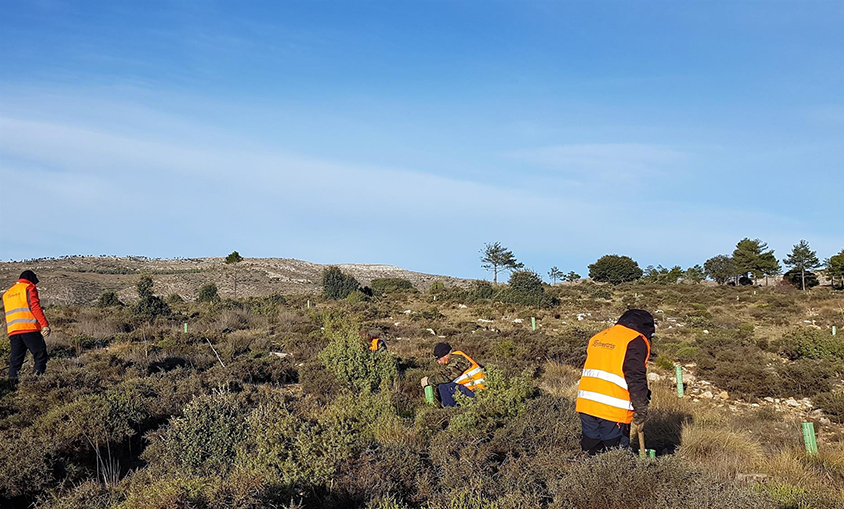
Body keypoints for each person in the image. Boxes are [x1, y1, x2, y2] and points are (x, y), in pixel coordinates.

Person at [575, 309, 653, 455]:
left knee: (591, 452)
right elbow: (635, 377)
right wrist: (641, 408)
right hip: (613, 409)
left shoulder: (600, 336)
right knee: (615, 457)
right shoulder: (635, 339)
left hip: (586, 404)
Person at [3, 270, 51, 379]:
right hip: (29, 328)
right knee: (40, 355)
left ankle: (12, 385)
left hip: (13, 331)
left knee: (15, 361)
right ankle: (37, 381)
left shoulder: (7, 293)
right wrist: (44, 324)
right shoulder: (28, 288)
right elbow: (34, 306)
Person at [421, 342, 485, 407]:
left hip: (478, 393)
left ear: (445, 355)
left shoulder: (458, 359)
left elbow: (446, 376)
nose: (439, 363)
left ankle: (451, 412)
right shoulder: (458, 357)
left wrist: (428, 381)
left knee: (444, 387)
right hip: (476, 391)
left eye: (439, 359)